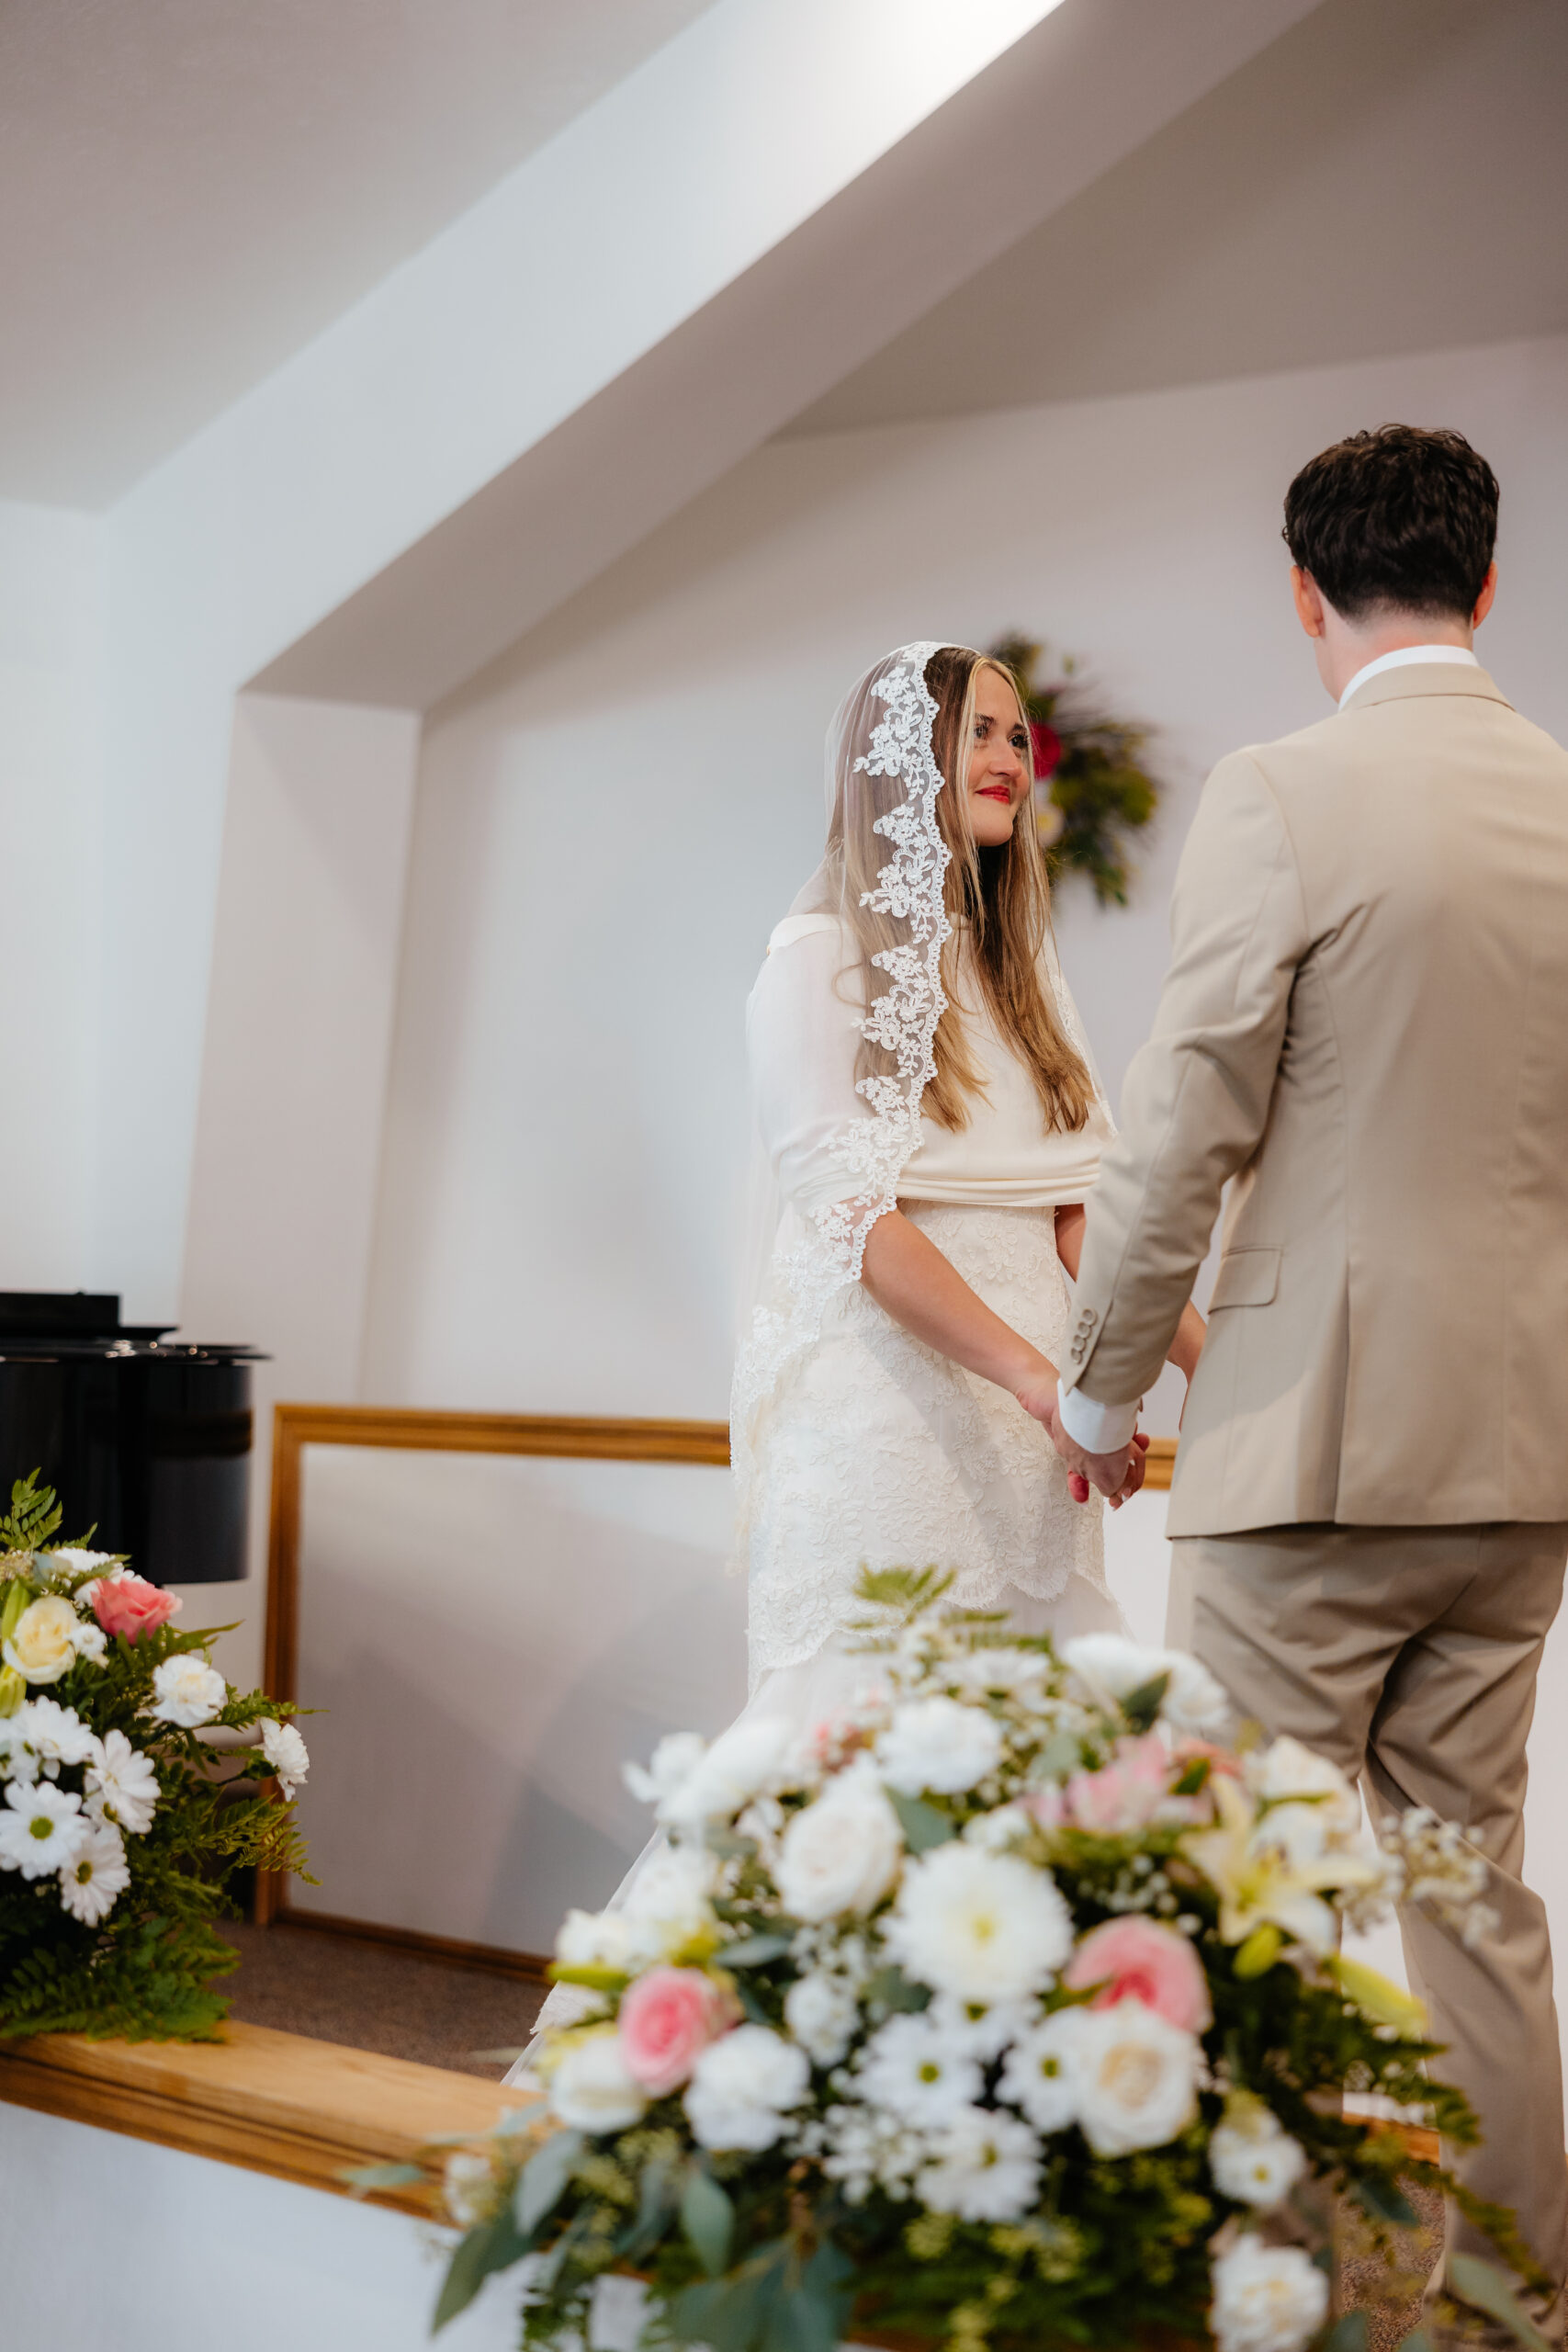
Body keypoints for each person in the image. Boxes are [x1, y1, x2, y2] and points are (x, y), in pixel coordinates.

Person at [1049, 426, 1568, 2337]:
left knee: (1239, 1887)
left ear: (1304, 591)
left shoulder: (1284, 791)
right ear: (1484, 583)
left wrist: (1100, 1389)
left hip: (1313, 1456)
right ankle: (1511, 2317)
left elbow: (1183, 1118)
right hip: (1522, 1459)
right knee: (1470, 1900)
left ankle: (1237, 2301)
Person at [733, 639, 1204, 1726]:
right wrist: (1048, 1386)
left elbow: (1086, 1216)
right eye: (977, 731)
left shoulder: (1025, 974)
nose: (1009, 755)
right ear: (898, 759)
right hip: (894, 1415)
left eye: (1013, 732)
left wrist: (1213, 1367)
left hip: (1042, 1444)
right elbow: (857, 1221)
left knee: (1053, 1745)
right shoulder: (815, 955)